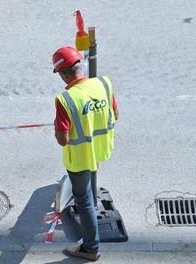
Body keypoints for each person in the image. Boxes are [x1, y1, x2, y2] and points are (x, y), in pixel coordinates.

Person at [52, 46, 119, 261]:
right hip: (100, 148)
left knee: (84, 200)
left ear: (62, 74)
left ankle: (90, 248)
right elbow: (115, 115)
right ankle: (90, 242)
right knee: (89, 187)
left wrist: (57, 125)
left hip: (80, 157)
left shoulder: (66, 99)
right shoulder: (103, 84)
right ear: (80, 65)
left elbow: (63, 139)